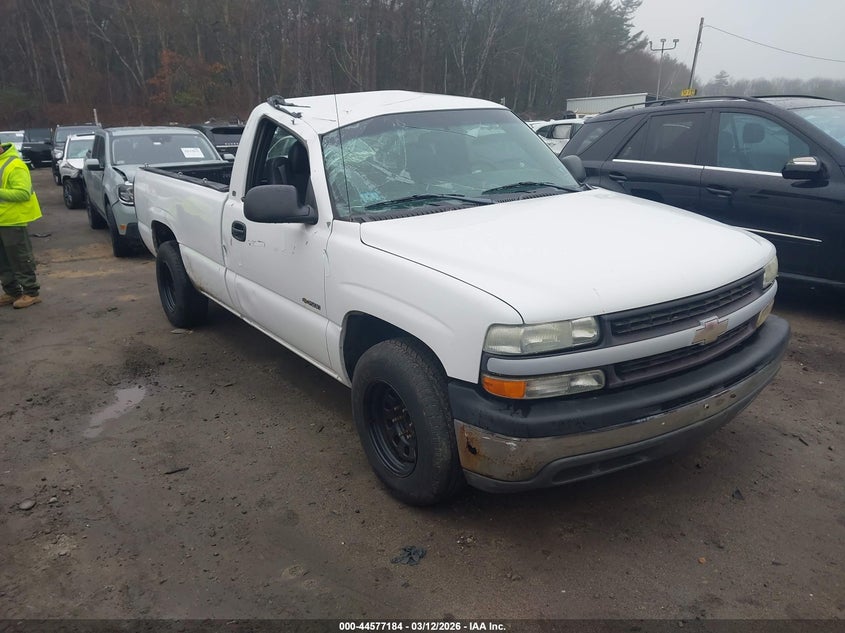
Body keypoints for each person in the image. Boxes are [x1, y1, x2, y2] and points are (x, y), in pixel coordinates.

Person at [0, 140, 43, 308]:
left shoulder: (15, 165)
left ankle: (31, 292)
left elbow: (23, 193)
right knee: (3, 260)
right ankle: (12, 292)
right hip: (2, 220)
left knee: (20, 258)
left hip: (13, 220)